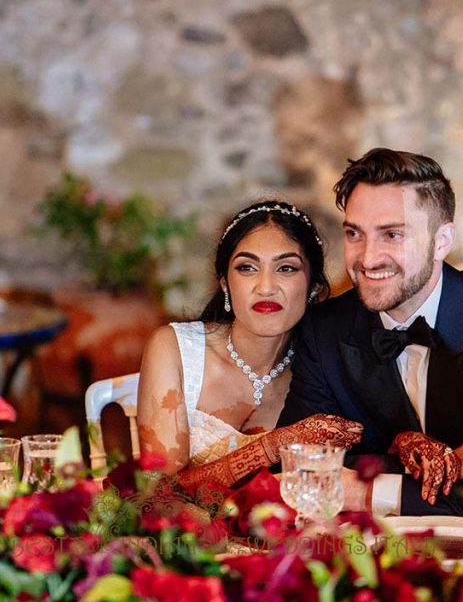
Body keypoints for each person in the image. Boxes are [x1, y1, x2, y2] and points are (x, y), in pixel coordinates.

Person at [278, 149, 463, 518]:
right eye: (355, 234)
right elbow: (299, 472)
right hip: (373, 558)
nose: (368, 258)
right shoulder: (324, 330)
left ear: (442, 241)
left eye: (392, 234)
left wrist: (360, 490)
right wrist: (456, 462)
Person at [137, 200, 363, 489]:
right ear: (224, 284)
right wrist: (277, 444)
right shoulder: (175, 349)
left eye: (286, 268)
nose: (266, 287)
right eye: (247, 268)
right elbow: (159, 491)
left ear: (314, 287)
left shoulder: (323, 368)